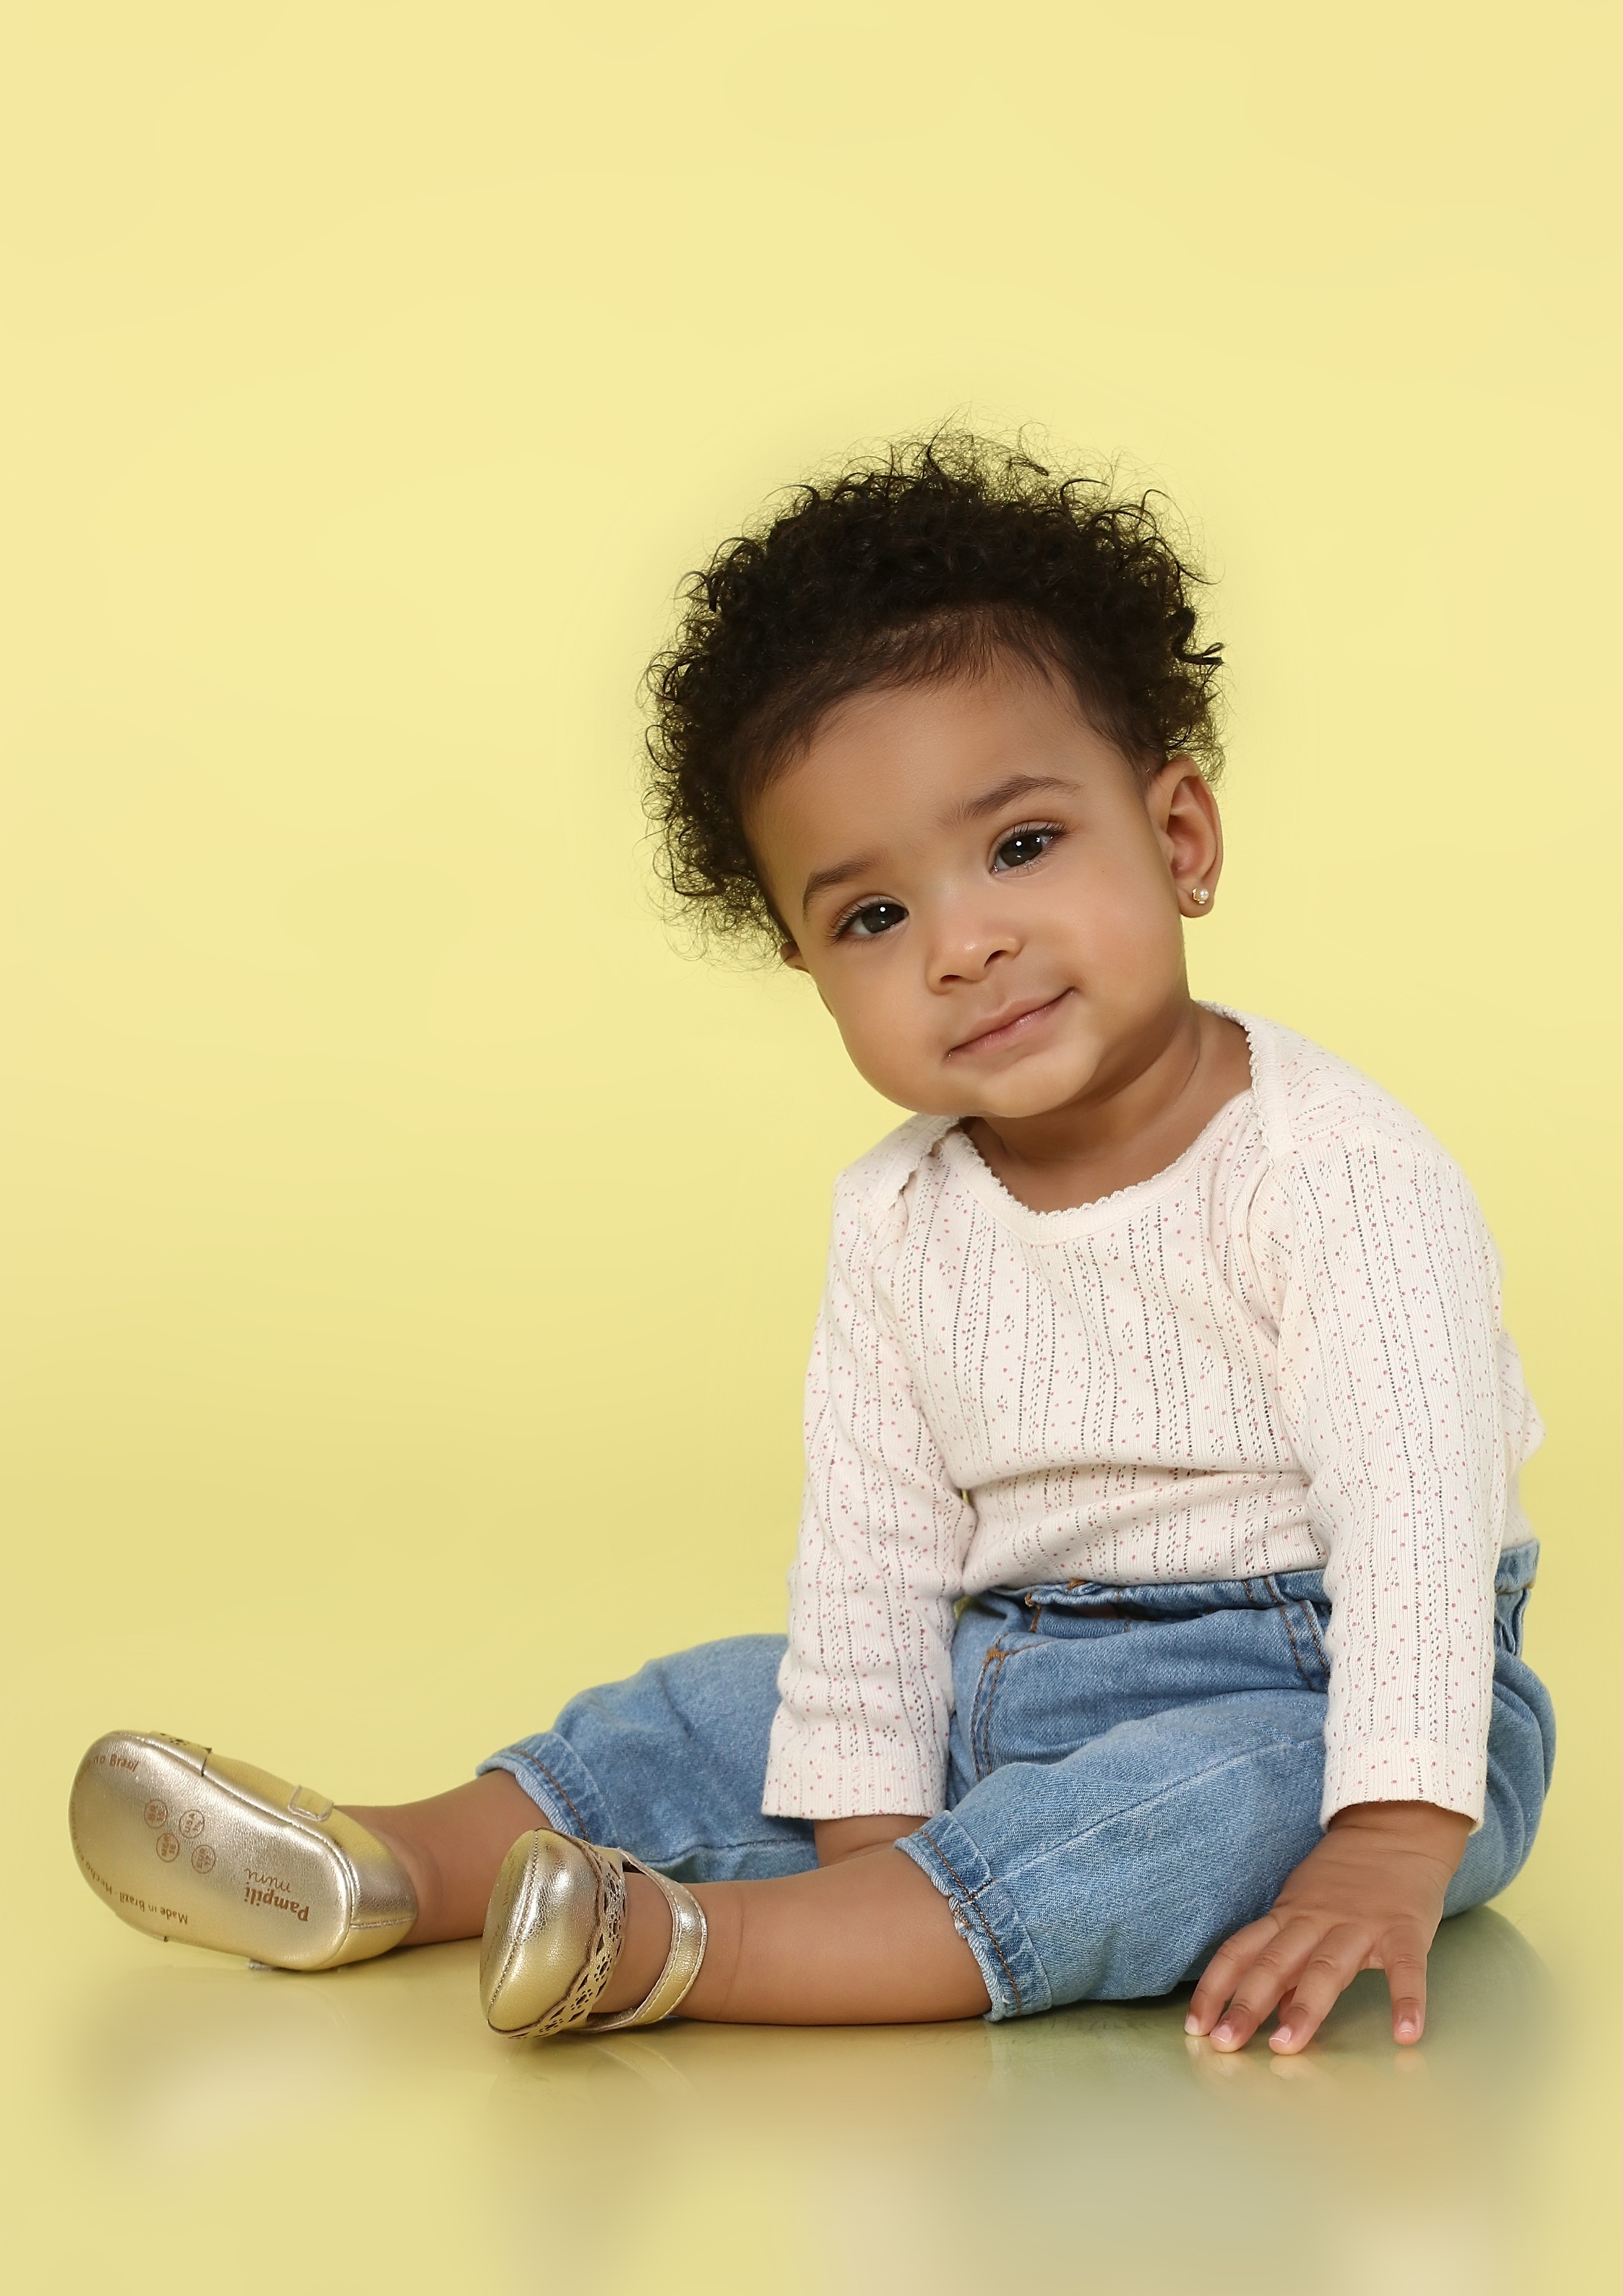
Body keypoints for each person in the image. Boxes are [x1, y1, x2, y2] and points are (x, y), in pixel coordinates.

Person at [69, 435, 1555, 2055]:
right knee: (715, 1708)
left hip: (1330, 1696)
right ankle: (386, 1868)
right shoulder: (897, 1214)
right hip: (1008, 1658)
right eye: (873, 917)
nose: (963, 946)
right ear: (807, 964)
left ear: (1179, 836)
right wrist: (868, 1831)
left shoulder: (1332, 1172)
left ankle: (687, 1950)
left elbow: (1417, 1523)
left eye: (1021, 846)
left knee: (1175, 1812)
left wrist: (1390, 1835)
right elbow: (873, 1553)